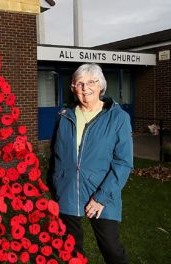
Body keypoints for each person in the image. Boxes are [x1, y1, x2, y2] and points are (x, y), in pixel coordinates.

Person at [47, 63, 133, 263]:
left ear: (101, 85)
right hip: (67, 191)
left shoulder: (118, 117)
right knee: (71, 251)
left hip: (101, 193)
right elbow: (55, 154)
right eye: (79, 84)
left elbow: (123, 162)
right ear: (73, 88)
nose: (85, 88)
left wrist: (101, 198)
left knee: (112, 250)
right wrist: (54, 184)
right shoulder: (64, 116)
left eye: (91, 82)